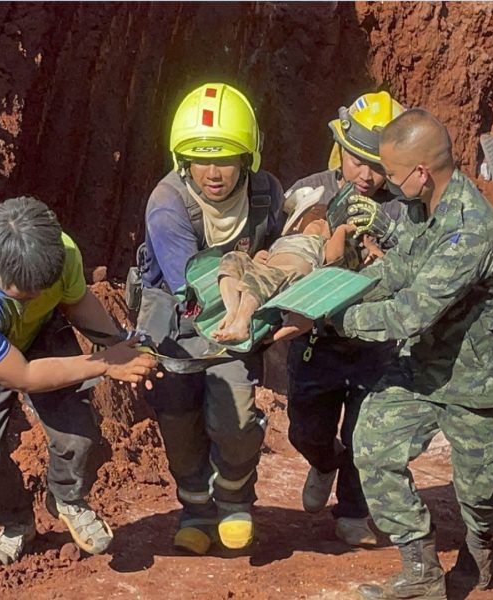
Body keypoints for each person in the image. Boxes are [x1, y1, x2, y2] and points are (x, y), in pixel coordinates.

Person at [277, 109, 493, 599]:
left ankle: (481, 555)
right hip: (427, 366)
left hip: (482, 379)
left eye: (391, 173)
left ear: (419, 172)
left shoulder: (469, 229)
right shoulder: (422, 206)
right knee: (372, 443)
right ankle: (420, 572)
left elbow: (408, 314)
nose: (383, 183)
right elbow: (397, 271)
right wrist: (330, 294)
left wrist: (328, 319)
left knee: (479, 496)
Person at [0, 196, 158, 565]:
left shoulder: (61, 253)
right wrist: (103, 363)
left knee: (77, 433)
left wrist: (117, 343)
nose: (35, 293)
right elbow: (26, 376)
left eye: (41, 287)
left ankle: (66, 498)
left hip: (37, 329)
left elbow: (76, 301)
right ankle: (16, 523)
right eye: (26, 290)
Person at [138, 82, 285, 554]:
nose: (213, 172)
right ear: (183, 159)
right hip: (179, 326)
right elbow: (194, 285)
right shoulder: (167, 203)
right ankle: (196, 509)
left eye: (224, 158)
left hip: (236, 324)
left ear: (248, 157)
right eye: (200, 158)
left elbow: (279, 254)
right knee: (179, 423)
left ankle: (235, 500)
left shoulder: (267, 194)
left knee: (236, 419)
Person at [284, 91, 425, 548]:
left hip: (377, 344)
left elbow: (422, 270)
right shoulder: (307, 193)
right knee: (307, 429)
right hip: (316, 341)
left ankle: (352, 511)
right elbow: (283, 256)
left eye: (379, 164)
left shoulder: (409, 209)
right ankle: (323, 461)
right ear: (339, 148)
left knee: (367, 435)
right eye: (356, 159)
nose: (365, 175)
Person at [213, 202, 361, 343]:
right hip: (268, 269)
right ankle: (232, 310)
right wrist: (258, 258)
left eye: (325, 221)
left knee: (260, 277)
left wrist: (341, 231)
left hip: (289, 277)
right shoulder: (286, 239)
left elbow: (335, 257)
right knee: (233, 258)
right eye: (315, 216)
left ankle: (241, 325)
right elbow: (263, 258)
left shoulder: (322, 243)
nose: (320, 220)